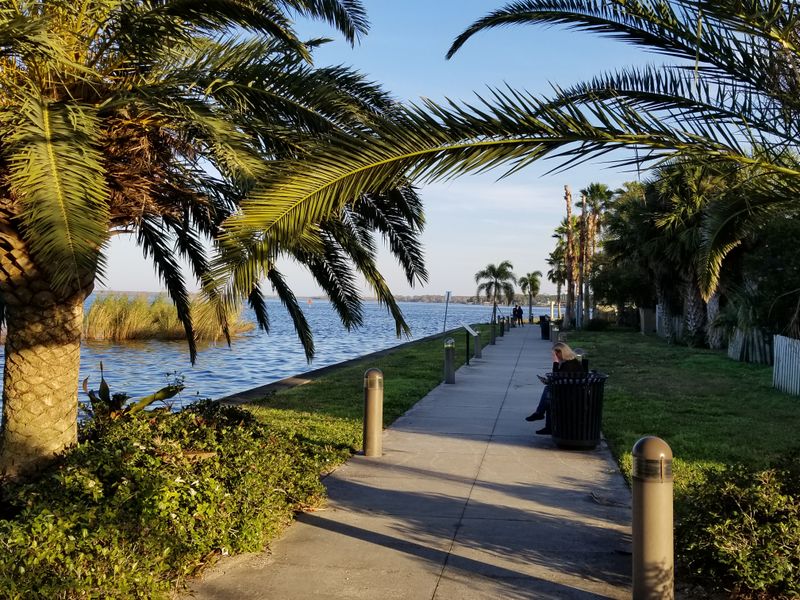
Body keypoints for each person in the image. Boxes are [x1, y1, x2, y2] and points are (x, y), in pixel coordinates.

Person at [524, 341, 584, 434]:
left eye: (556, 354)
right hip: (570, 391)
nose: (555, 356)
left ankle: (540, 415)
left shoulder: (569, 364)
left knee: (549, 392)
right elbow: (558, 378)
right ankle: (544, 421)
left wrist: (555, 362)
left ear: (561, 352)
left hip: (572, 395)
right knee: (549, 396)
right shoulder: (570, 362)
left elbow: (556, 377)